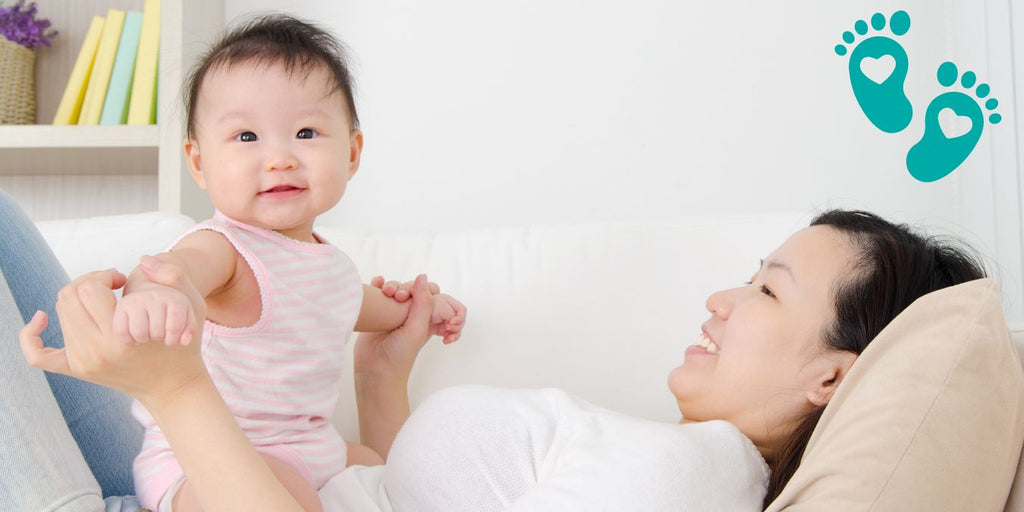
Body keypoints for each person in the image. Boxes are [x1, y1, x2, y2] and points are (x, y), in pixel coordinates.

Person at [11, 194, 987, 510]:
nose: (721, 299)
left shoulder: (668, 478)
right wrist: (380, 379)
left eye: (767, 287)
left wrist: (178, 387)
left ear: (833, 376)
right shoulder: (668, 461)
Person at [108, 14, 467, 512]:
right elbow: (174, 268)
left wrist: (427, 307)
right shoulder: (226, 249)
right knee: (288, 494)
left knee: (396, 473)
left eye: (305, 132)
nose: (279, 158)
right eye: (247, 137)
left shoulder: (335, 269)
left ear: (352, 152)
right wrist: (155, 295)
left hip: (311, 452)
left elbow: (382, 310)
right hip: (204, 465)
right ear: (198, 163)